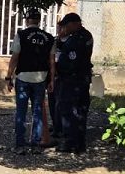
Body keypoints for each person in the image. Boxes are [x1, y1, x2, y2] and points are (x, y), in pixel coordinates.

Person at [6, 9, 55, 154]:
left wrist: (8, 77)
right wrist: (51, 80)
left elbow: (15, 58)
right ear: (39, 21)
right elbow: (52, 62)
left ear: (27, 20)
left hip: (23, 78)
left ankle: (20, 145)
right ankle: (35, 145)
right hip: (41, 79)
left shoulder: (21, 35)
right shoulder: (49, 38)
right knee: (37, 112)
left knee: (21, 111)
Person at [55, 13, 94, 153]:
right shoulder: (86, 35)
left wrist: (56, 70)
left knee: (68, 110)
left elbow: (69, 62)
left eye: (67, 25)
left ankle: (70, 142)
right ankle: (79, 143)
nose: (65, 28)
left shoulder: (77, 40)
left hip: (72, 80)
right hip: (83, 78)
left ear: (74, 23)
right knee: (81, 111)